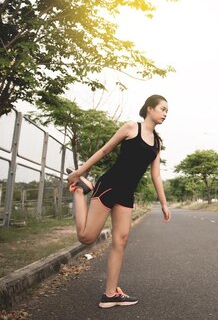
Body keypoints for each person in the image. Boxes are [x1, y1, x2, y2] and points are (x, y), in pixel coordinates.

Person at [66, 94, 171, 309]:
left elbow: (156, 175)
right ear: (150, 108)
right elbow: (105, 150)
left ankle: (110, 294)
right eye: (162, 109)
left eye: (167, 111)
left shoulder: (158, 143)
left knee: (121, 241)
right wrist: (79, 172)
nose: (165, 114)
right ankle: (80, 192)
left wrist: (164, 203)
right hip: (110, 186)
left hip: (126, 194)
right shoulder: (132, 128)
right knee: (86, 238)